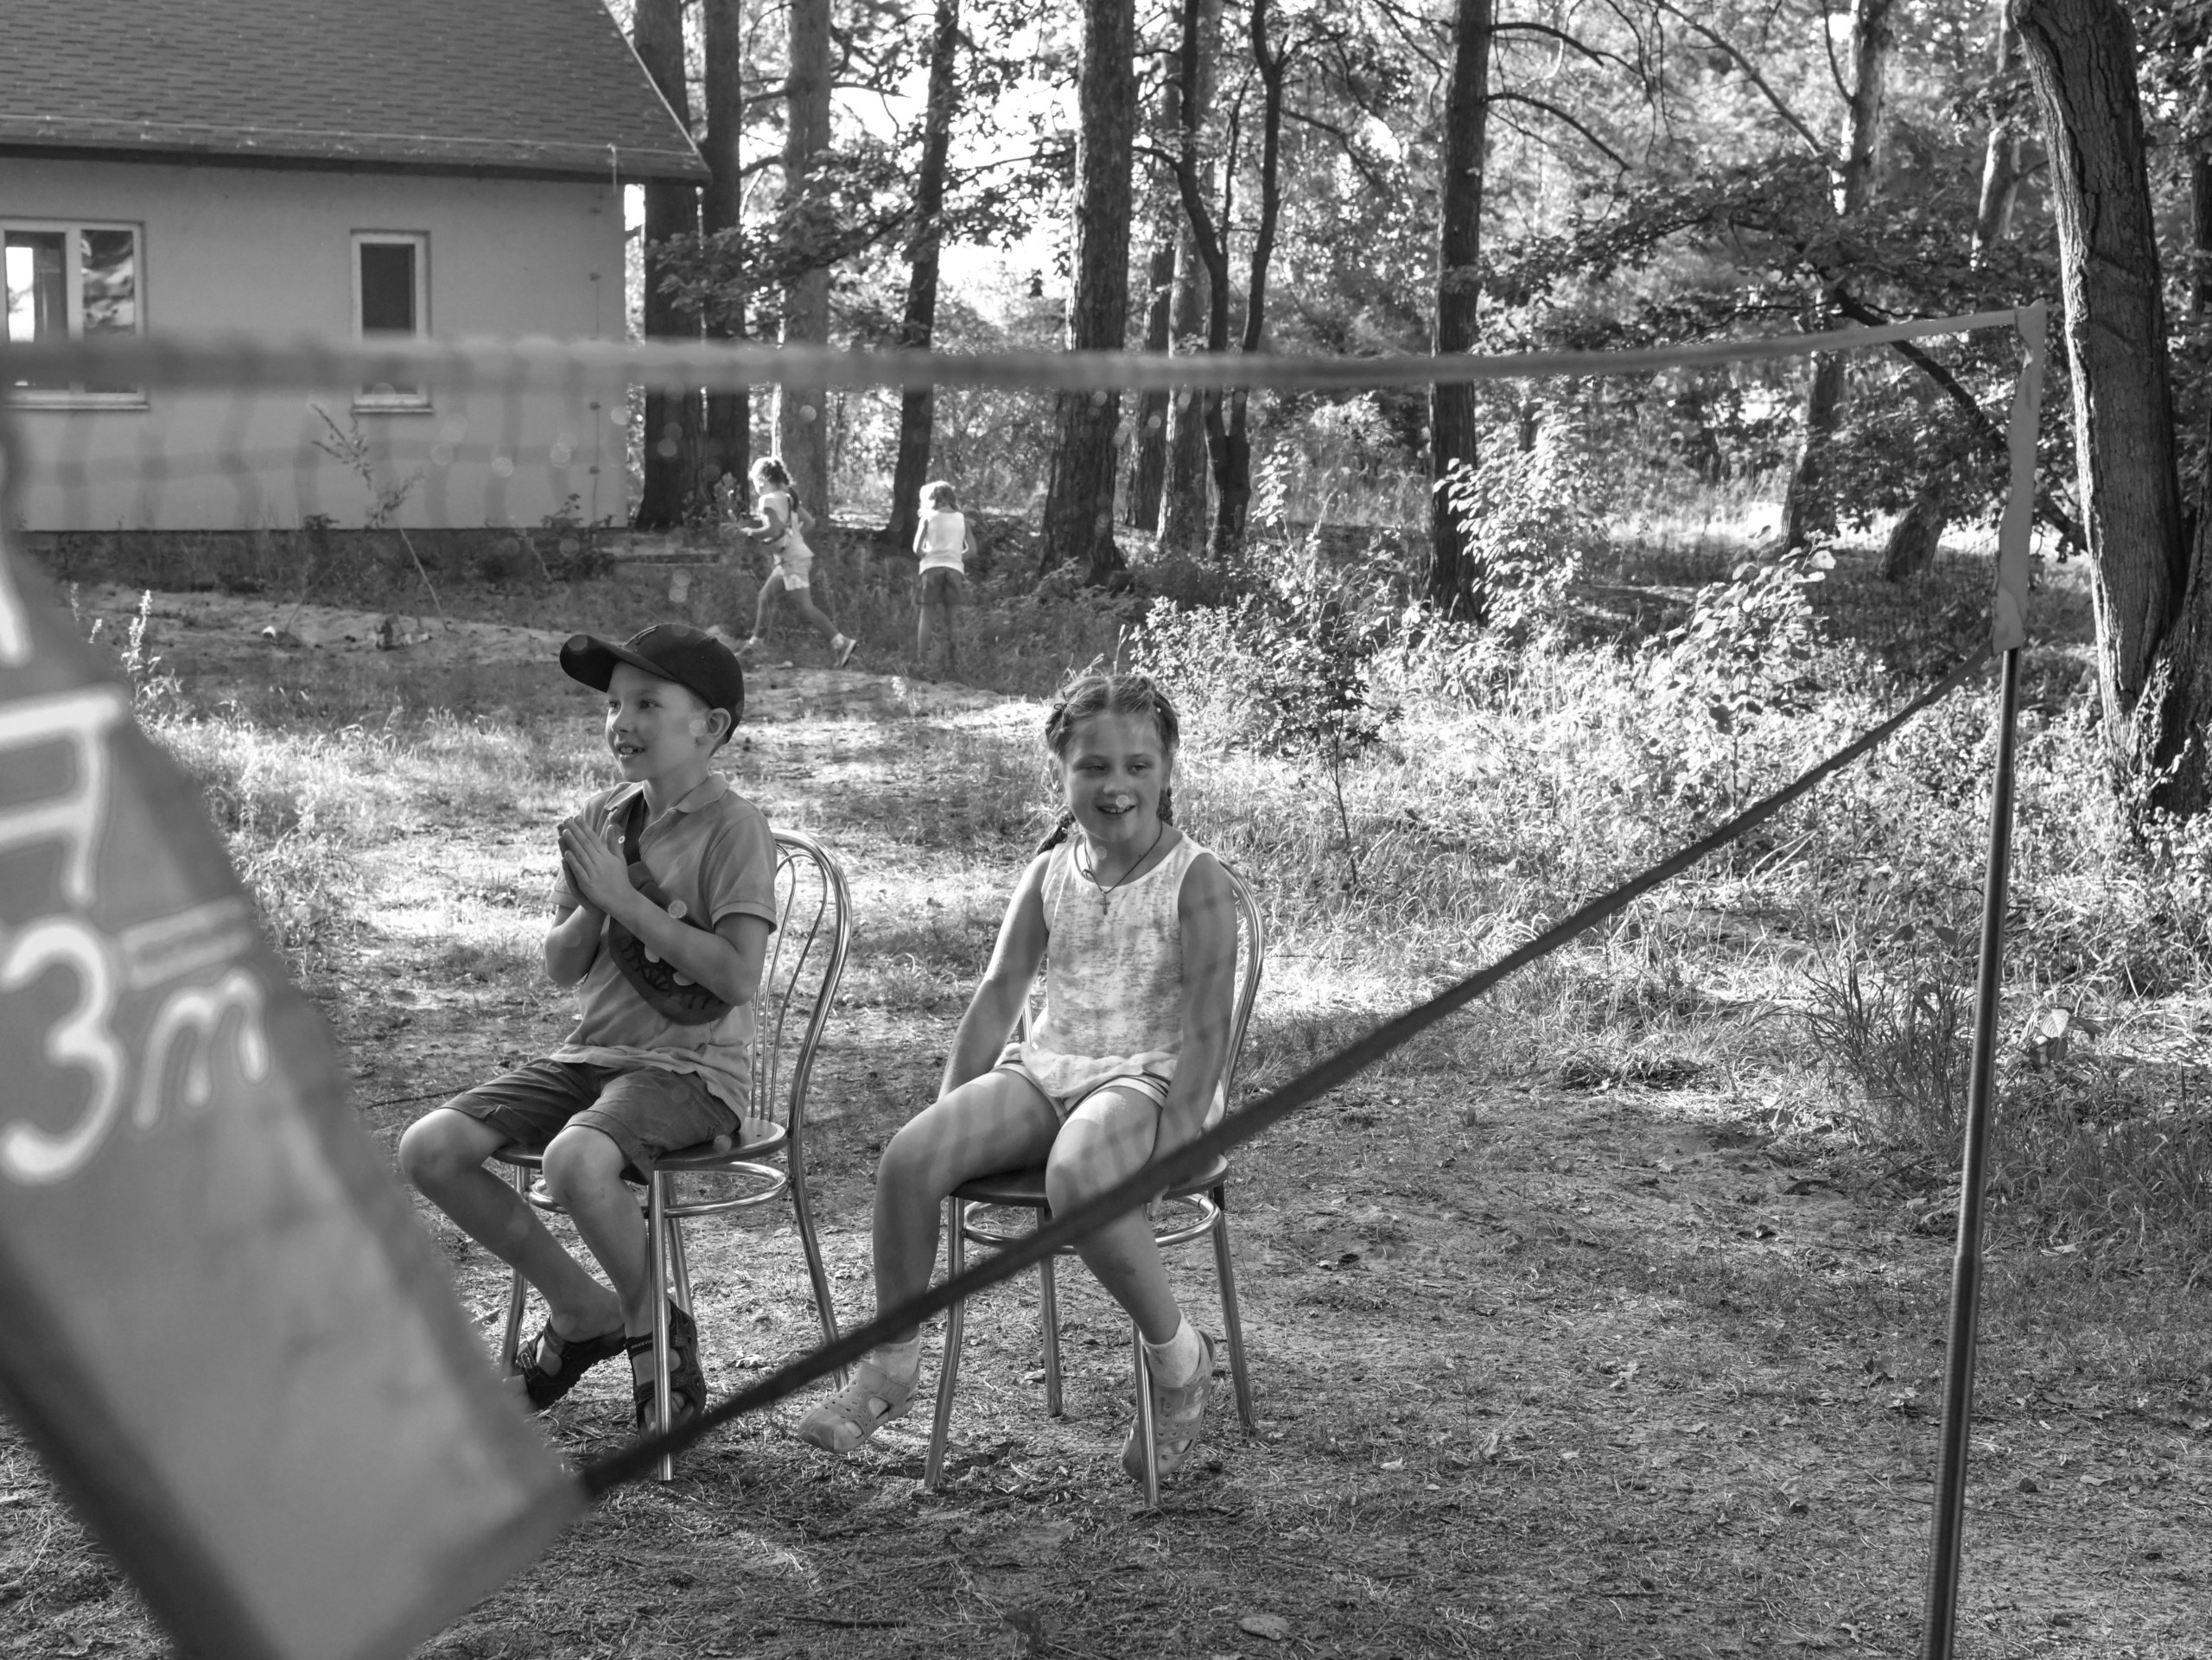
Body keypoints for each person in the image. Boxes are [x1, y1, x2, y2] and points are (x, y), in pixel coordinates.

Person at [793, 671, 1238, 1482]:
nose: (1116, 785)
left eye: (1139, 766)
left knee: (1079, 1174)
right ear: (1060, 768)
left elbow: (1209, 1026)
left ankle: (1178, 1360)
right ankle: (891, 1365)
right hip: (1051, 1066)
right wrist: (951, 1111)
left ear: (1169, 768)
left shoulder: (1196, 880)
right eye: (1094, 765)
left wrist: (1174, 1143)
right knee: (910, 1156)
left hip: (1152, 1078)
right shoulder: (1050, 874)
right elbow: (1000, 994)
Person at [397, 622, 778, 1429]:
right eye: (612, 705)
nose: (621, 722)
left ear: (709, 727)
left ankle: (652, 1325)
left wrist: (628, 901)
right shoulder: (598, 819)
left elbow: (739, 975)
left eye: (647, 702)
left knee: (574, 1160)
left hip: (691, 1074)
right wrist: (590, 902)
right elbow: (562, 968)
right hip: (591, 1055)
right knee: (429, 1148)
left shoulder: (735, 828)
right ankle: (581, 1307)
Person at [722, 456, 857, 669]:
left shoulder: (766, 500)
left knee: (806, 607)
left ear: (761, 480)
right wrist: (793, 539)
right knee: (765, 597)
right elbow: (810, 522)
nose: (755, 488)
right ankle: (757, 644)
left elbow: (773, 530)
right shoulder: (788, 497)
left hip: (792, 561)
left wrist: (747, 532)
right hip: (792, 558)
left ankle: (841, 642)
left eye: (755, 483)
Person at [911, 480, 972, 677]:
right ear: (951, 498)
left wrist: (930, 554)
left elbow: (917, 549)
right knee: (952, 617)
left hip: (931, 569)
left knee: (926, 615)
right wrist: (954, 557)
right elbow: (973, 549)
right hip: (954, 570)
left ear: (930, 499)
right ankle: (953, 660)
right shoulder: (962, 519)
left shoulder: (928, 518)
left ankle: (921, 660)